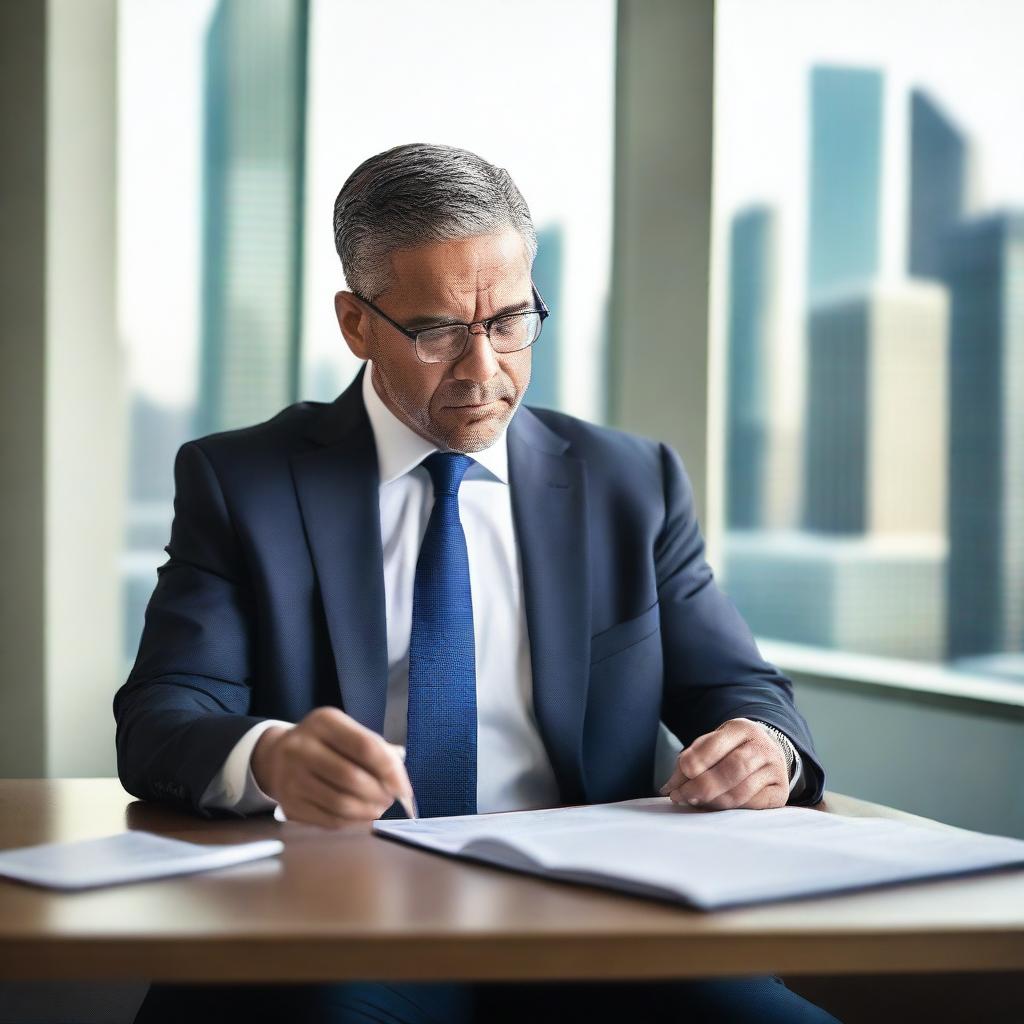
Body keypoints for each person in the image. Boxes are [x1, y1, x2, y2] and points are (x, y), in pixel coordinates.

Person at [115, 142, 840, 1023]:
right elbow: (162, 720)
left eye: (506, 321)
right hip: (343, 917)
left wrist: (763, 746)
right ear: (356, 324)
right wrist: (270, 756)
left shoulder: (628, 482)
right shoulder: (244, 484)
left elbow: (737, 686)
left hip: (596, 927)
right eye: (437, 332)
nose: (484, 370)